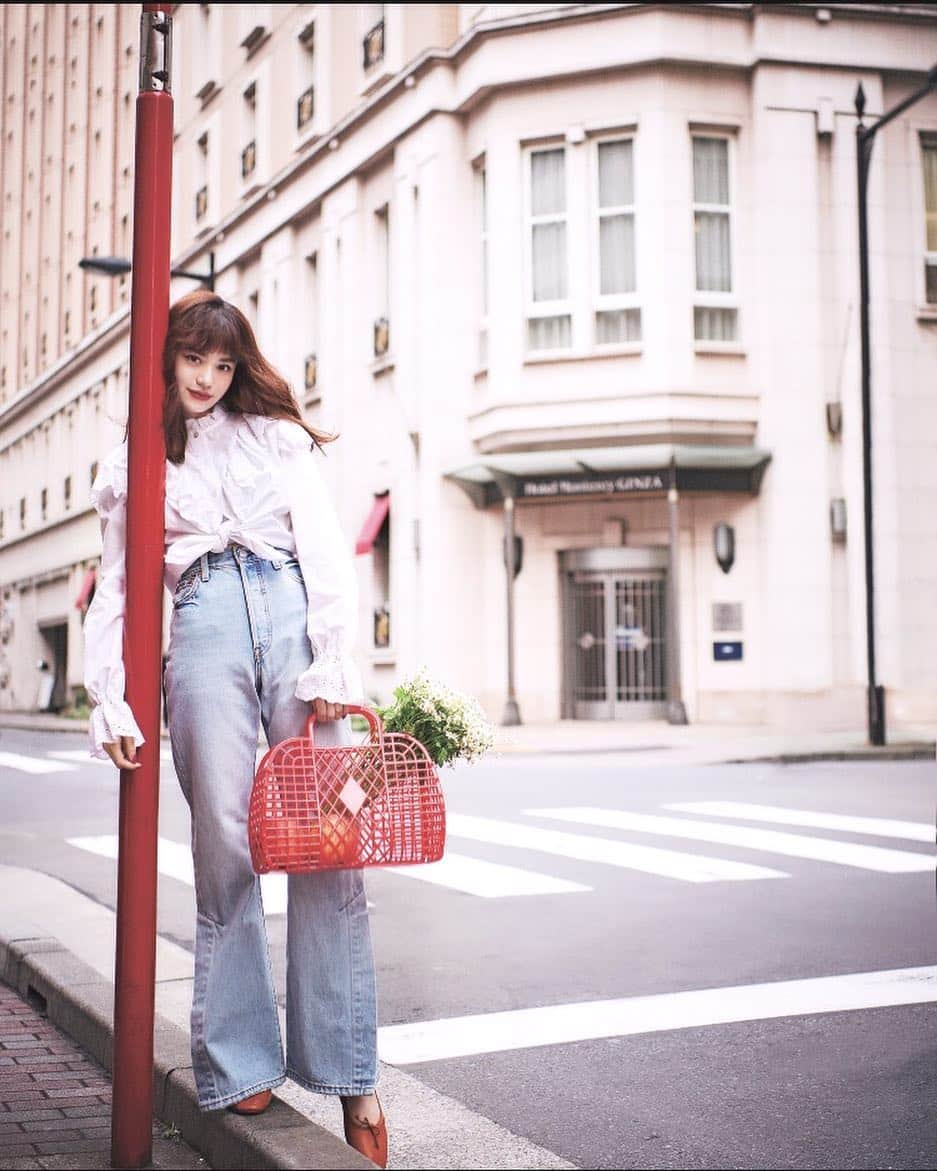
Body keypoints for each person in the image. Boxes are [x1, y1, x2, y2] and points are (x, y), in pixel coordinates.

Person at [81, 288, 387, 1167]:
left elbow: (324, 546)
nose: (209, 379)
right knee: (224, 840)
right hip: (205, 615)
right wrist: (112, 693)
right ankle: (243, 1055)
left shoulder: (275, 436)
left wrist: (333, 659)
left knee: (326, 839)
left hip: (289, 608)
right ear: (165, 358)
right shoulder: (134, 459)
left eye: (223, 363)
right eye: (193, 360)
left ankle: (350, 1074)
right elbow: (120, 584)